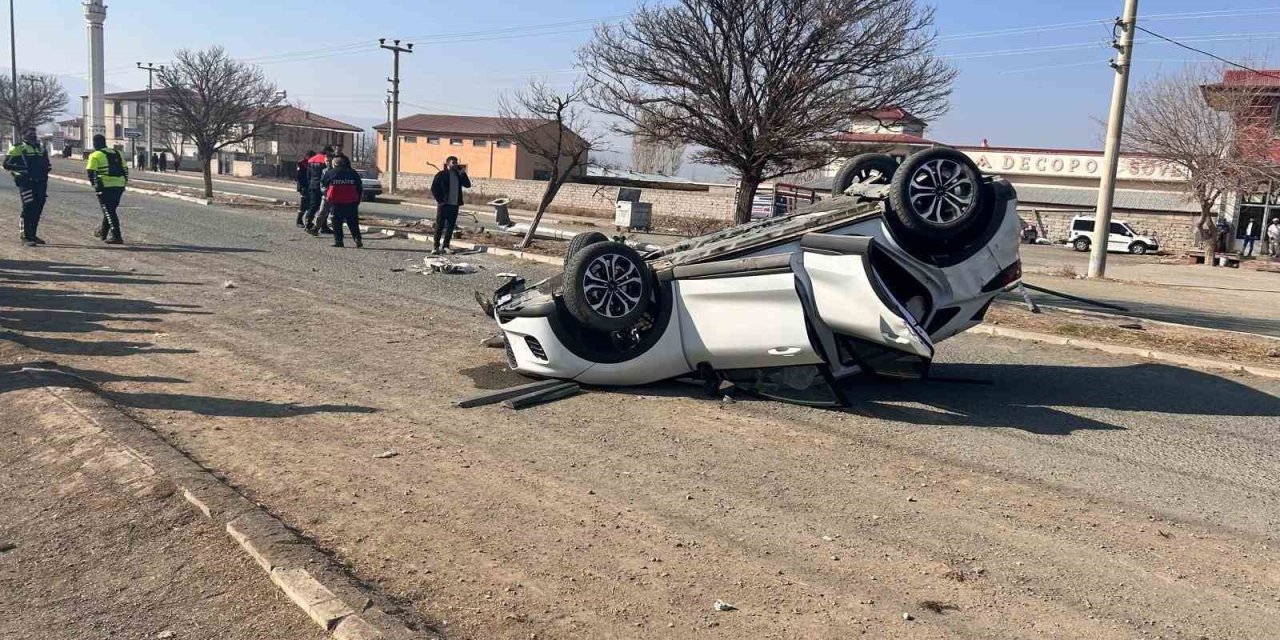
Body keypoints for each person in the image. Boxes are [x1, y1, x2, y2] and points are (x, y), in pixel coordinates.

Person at [4, 127, 52, 246]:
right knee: (28, 207)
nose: (33, 136)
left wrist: (45, 170)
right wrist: (25, 170)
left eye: (34, 134)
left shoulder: (41, 148)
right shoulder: (18, 148)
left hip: (40, 183)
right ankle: (25, 236)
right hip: (26, 182)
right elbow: (6, 164)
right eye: (30, 134)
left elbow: (47, 164)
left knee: (37, 208)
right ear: (24, 136)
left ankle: (33, 235)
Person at [86, 134, 128, 244]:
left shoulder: (95, 155)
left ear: (95, 143)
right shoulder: (117, 153)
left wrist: (96, 187)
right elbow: (125, 169)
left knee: (109, 211)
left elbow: (91, 173)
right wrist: (124, 184)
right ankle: (103, 234)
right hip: (119, 186)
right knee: (110, 210)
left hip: (105, 186)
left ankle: (117, 236)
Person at [429, 155, 470, 254]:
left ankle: (446, 246)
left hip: (454, 205)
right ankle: (436, 247)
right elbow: (433, 188)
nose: (455, 164)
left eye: (456, 162)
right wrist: (440, 200)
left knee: (451, 226)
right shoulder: (441, 174)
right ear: (448, 164)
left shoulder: (458, 175)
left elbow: (468, 185)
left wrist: (463, 173)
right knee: (440, 225)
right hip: (444, 205)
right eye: (453, 162)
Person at [321, 155, 364, 248]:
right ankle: (357, 239)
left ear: (335, 164)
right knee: (353, 222)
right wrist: (358, 200)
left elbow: (324, 184)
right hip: (351, 201)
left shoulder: (330, 173)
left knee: (336, 222)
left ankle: (339, 241)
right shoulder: (353, 172)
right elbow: (359, 187)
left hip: (336, 202)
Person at [302, 146, 332, 233]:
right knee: (324, 208)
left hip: (313, 185)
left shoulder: (311, 159)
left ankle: (308, 223)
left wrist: (310, 184)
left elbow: (308, 175)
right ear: (327, 152)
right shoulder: (325, 159)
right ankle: (323, 226)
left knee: (314, 205)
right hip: (322, 186)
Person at [294, 150, 314, 227]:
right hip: (304, 186)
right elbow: (298, 176)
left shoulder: (311, 164)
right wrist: (303, 186)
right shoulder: (302, 163)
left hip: (309, 186)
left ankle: (307, 221)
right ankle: (299, 221)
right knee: (304, 204)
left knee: (309, 204)